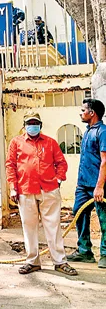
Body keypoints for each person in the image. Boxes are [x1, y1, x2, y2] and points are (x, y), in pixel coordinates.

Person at [6, 112, 77, 276]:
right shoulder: (16, 142)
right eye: (30, 123)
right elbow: (10, 165)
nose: (33, 126)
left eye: (35, 123)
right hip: (25, 189)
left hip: (49, 190)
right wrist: (13, 187)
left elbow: (61, 163)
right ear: (24, 126)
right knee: (29, 227)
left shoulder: (50, 142)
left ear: (41, 125)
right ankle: (32, 261)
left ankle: (60, 261)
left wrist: (58, 180)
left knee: (53, 226)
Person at [68, 98, 106, 268]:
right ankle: (84, 251)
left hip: (99, 186)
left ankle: (105, 254)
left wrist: (100, 186)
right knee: (79, 212)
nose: (81, 113)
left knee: (104, 219)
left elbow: (105, 161)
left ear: (92, 113)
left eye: (83, 110)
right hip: (83, 185)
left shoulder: (102, 132)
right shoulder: (87, 131)